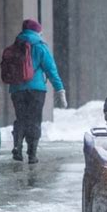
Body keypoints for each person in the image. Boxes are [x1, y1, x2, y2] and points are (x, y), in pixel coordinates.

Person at [9, 19, 67, 164]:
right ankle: (32, 154)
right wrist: (60, 89)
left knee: (21, 118)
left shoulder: (15, 46)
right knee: (34, 120)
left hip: (17, 89)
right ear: (37, 32)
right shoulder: (40, 47)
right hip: (36, 90)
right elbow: (51, 70)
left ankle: (17, 145)